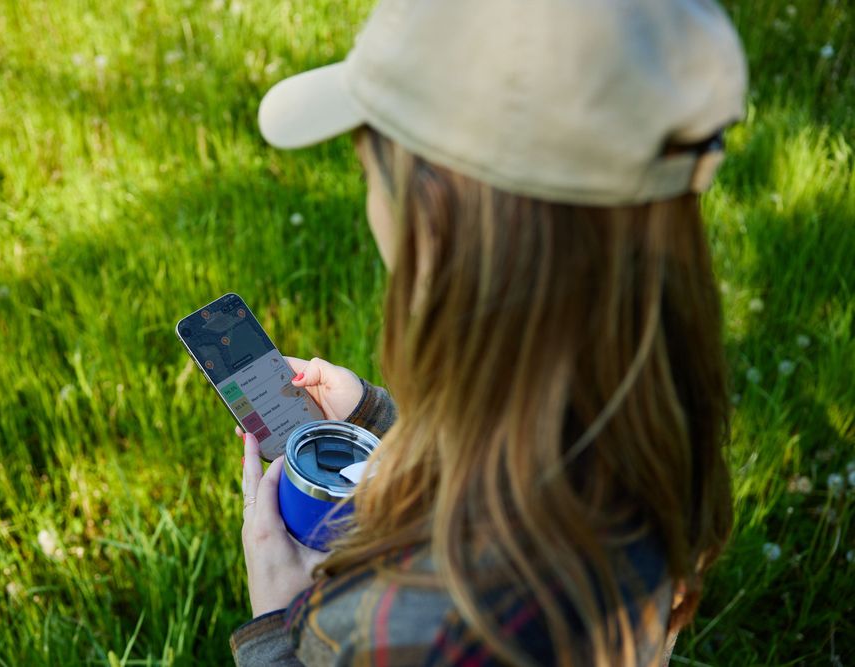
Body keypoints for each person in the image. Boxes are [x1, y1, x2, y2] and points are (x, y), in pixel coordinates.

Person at [232, 0, 747, 663]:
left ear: (435, 224)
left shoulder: (400, 628)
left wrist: (281, 626)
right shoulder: (652, 426)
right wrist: (379, 423)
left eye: (371, 174)